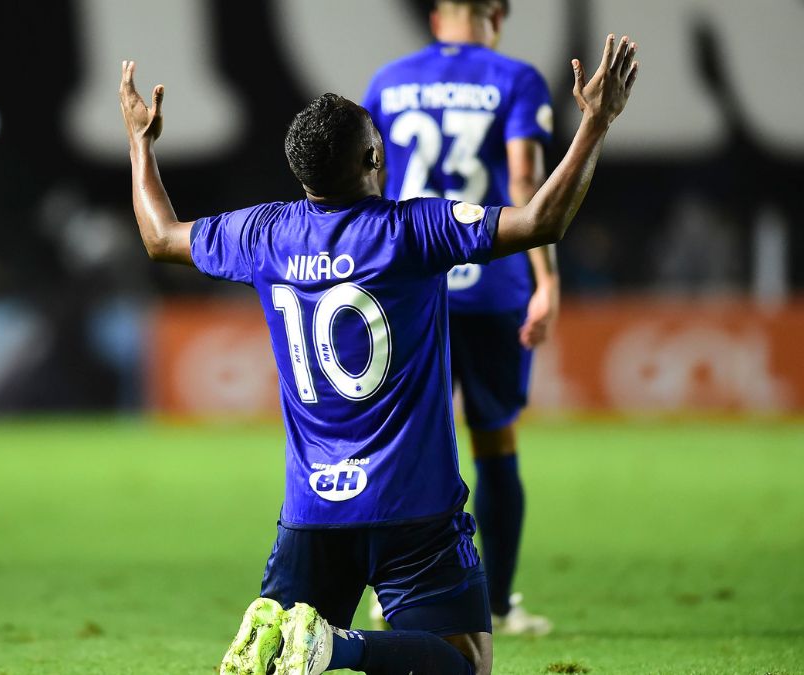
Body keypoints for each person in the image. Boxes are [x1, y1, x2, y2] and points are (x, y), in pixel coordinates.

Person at [119, 32, 637, 675]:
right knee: (467, 662)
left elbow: (160, 235)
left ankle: (313, 639)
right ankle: (337, 646)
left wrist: (142, 145)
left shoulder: (264, 233)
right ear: (371, 156)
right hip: (414, 509)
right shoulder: (413, 231)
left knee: (277, 647)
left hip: (311, 512)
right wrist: (596, 122)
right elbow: (541, 222)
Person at [362, 0, 559, 635]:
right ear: (495, 14)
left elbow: (368, 184)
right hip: (492, 285)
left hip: (408, 286)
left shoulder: (389, 82)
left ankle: (391, 596)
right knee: (495, 441)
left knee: (401, 447)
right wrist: (546, 279)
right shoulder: (516, 78)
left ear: (435, 16)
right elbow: (524, 180)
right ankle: (497, 607)